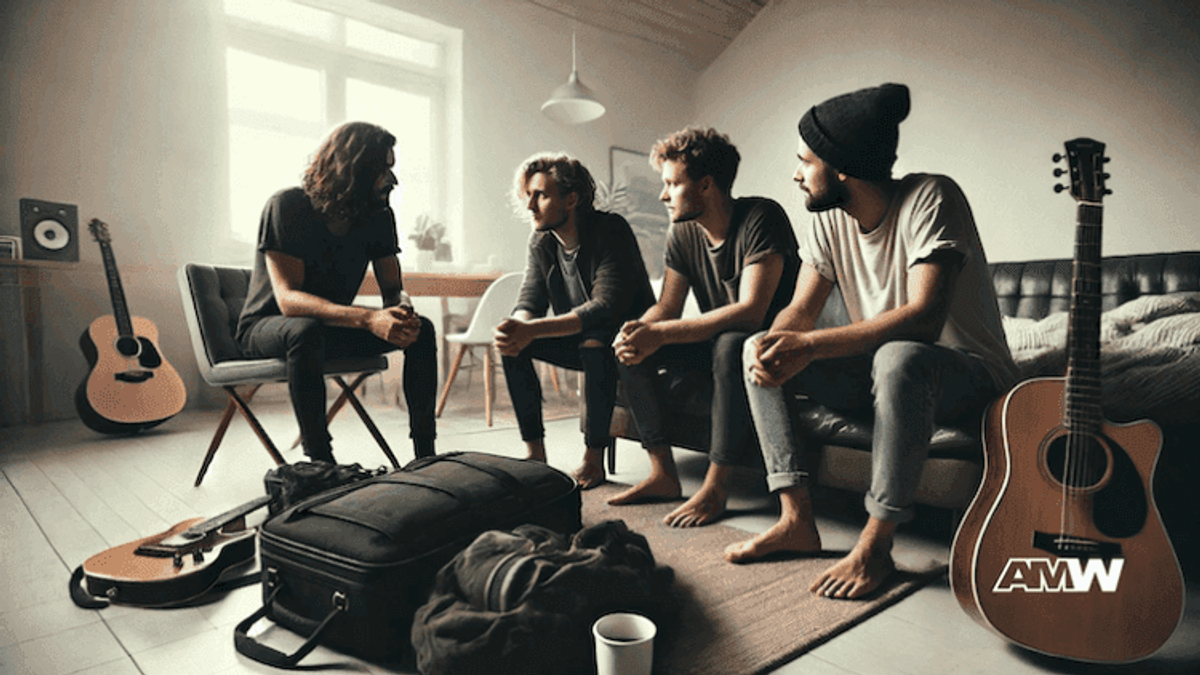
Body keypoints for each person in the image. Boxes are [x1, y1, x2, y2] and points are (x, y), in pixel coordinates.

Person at [723, 84, 1019, 600]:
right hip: (879, 369)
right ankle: (796, 519)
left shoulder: (932, 197)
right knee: (757, 347)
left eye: (805, 161)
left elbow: (923, 318)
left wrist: (811, 347)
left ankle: (877, 545)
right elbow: (801, 311)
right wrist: (778, 342)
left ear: (841, 167)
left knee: (898, 356)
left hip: (966, 375)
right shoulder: (828, 219)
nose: (796, 174)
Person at [610, 127, 801, 528]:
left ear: (706, 185)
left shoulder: (762, 217)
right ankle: (662, 473)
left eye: (672, 184)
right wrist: (638, 330)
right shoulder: (682, 231)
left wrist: (661, 333)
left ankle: (716, 486)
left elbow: (751, 312)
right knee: (633, 347)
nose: (663, 196)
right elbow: (668, 306)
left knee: (732, 343)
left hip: (769, 350)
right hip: (719, 345)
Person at [237, 121, 438, 463]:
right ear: (351, 167)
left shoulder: (379, 216)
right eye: (383, 169)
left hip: (326, 329)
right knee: (305, 330)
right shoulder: (287, 206)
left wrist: (401, 311)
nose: (393, 180)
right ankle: (320, 462)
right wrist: (368, 318)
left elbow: (393, 289)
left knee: (423, 330)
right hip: (266, 327)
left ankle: (425, 456)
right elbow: (289, 301)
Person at [495, 153, 657, 486]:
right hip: (583, 335)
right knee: (512, 345)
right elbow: (530, 299)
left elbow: (605, 307)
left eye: (541, 195)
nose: (530, 206)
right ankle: (535, 454)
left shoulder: (610, 229)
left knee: (594, 341)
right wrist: (517, 326)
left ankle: (593, 460)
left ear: (571, 199)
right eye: (528, 195)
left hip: (626, 339)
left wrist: (530, 328)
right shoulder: (541, 241)